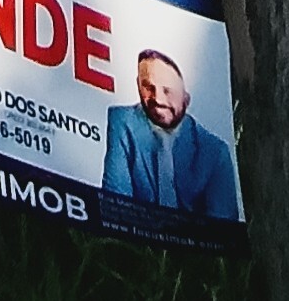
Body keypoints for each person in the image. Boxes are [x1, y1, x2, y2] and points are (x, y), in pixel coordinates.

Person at [100, 50, 240, 219]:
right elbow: (115, 204)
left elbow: (223, 227)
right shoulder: (122, 122)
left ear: (186, 99)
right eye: (148, 87)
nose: (158, 99)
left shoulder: (215, 152)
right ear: (138, 85)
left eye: (167, 91)